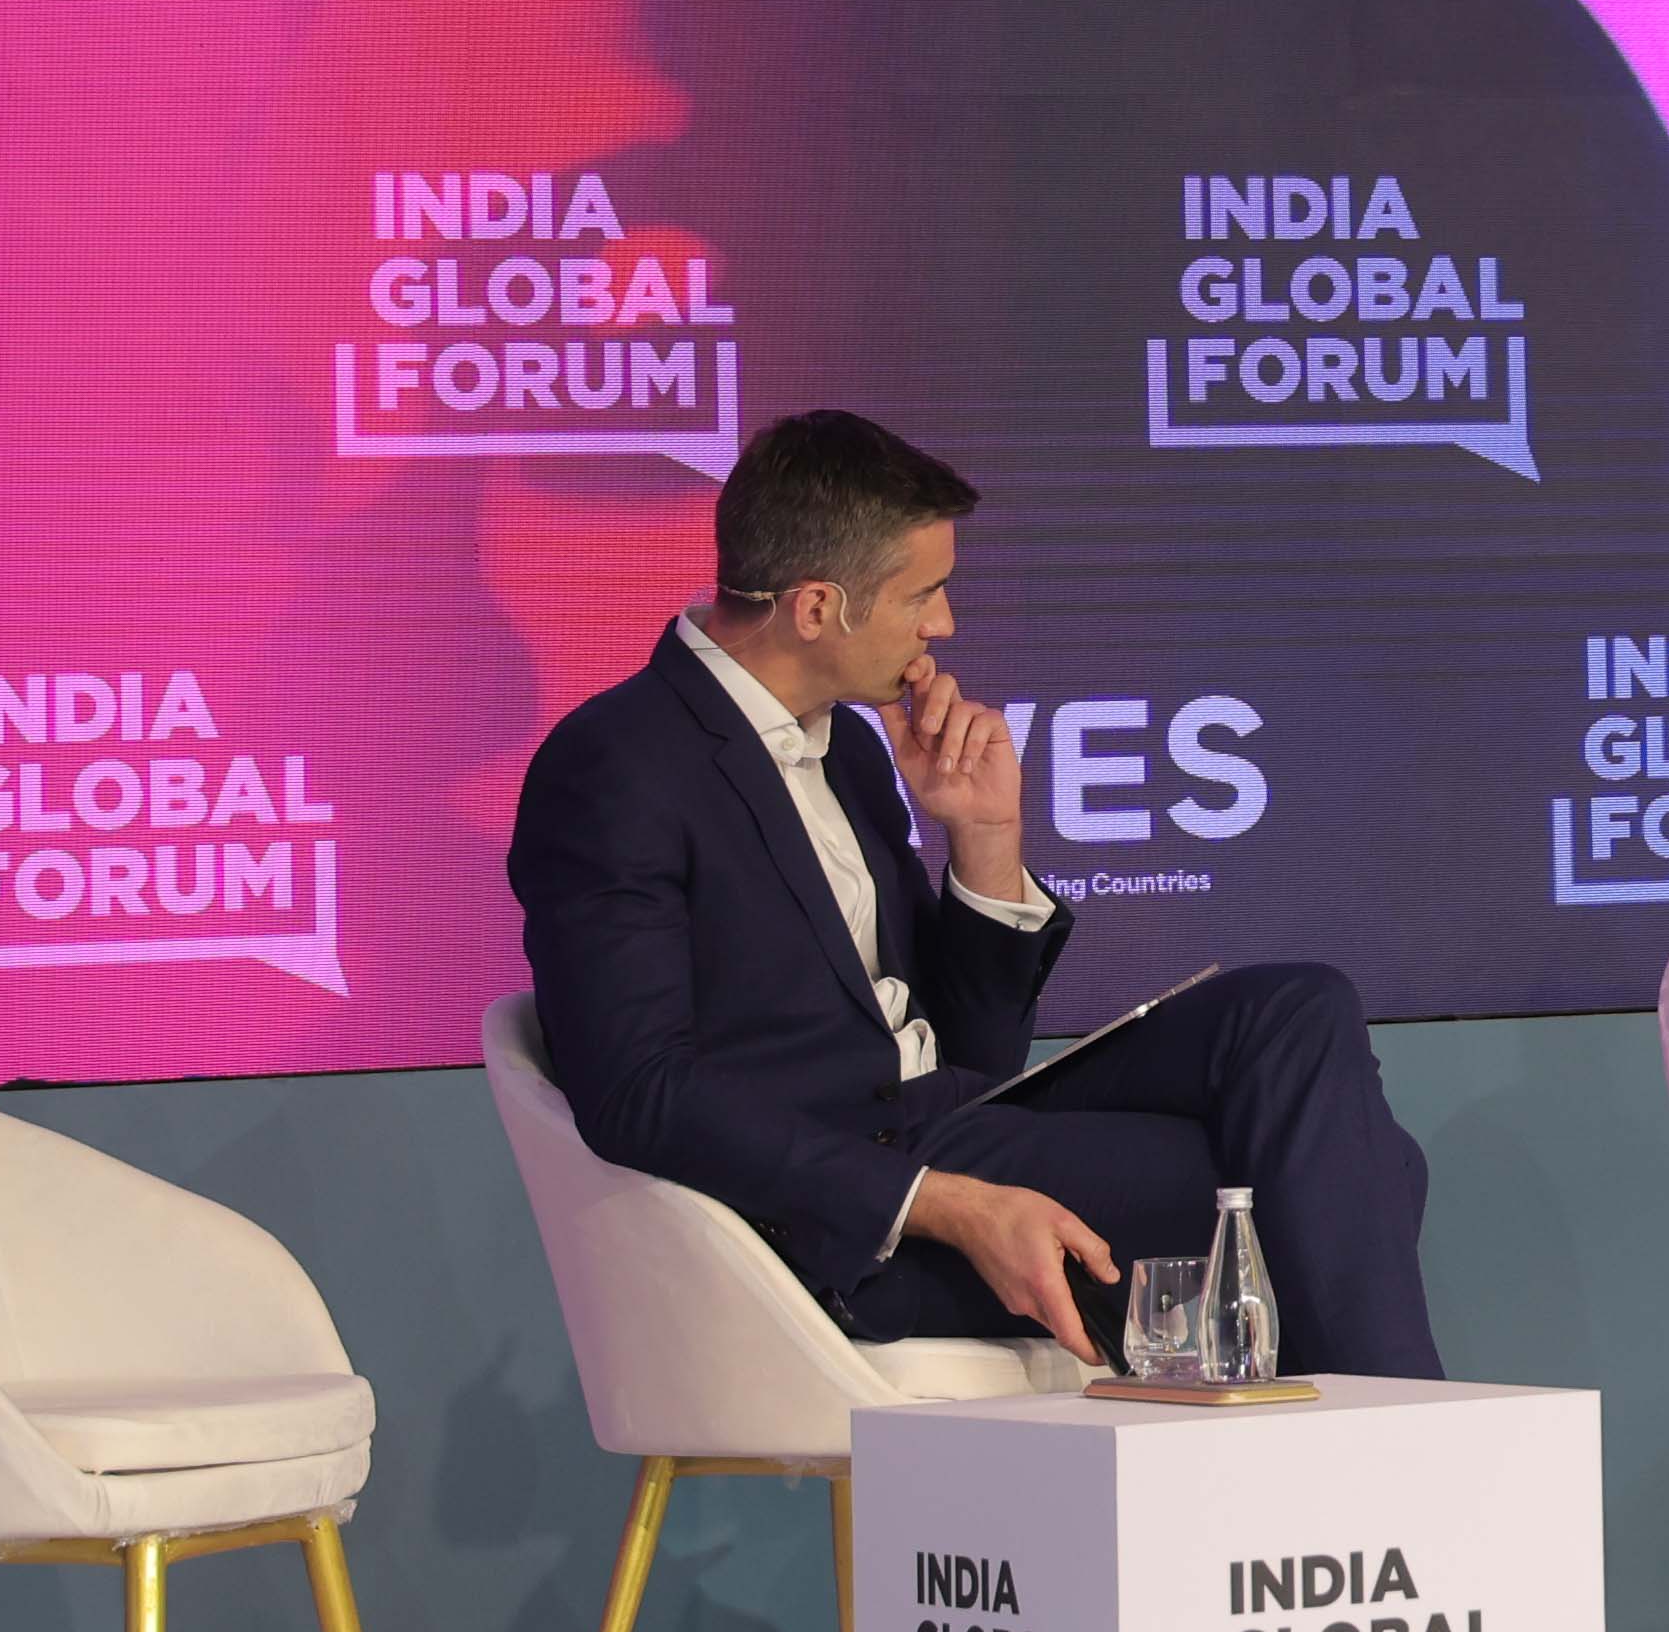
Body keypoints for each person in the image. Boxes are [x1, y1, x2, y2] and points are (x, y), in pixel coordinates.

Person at [510, 408, 1441, 1378]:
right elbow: (637, 1091)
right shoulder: (616, 767)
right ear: (818, 607)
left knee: (1297, 1008)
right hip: (843, 1205)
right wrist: (939, 1201)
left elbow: (974, 1055)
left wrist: (986, 839)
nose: (943, 625)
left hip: (953, 1115)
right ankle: (1405, 1446)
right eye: (922, 594)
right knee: (1355, 1175)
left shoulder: (849, 747)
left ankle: (1380, 1437)